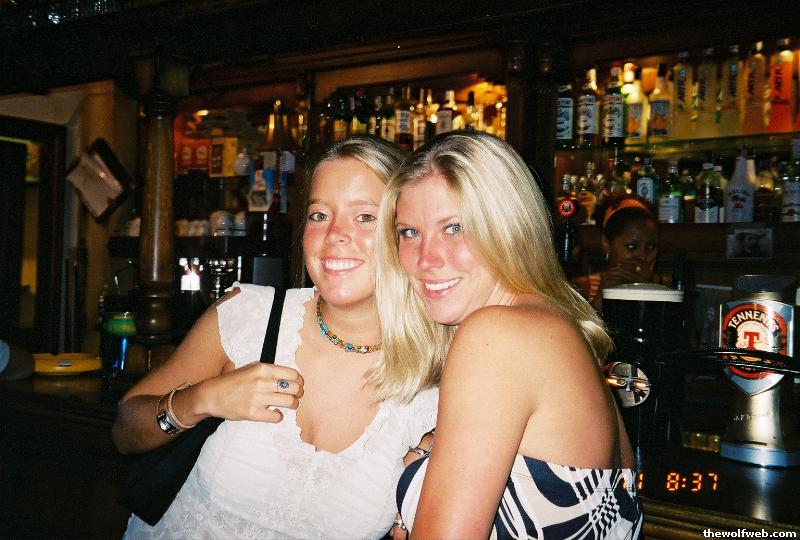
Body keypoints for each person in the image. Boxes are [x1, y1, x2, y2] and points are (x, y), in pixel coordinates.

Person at [112, 136, 439, 539]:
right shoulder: (249, 315)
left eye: (365, 216)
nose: (334, 233)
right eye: (319, 215)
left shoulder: (436, 378)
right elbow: (125, 430)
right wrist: (203, 399)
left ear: (406, 231)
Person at [375, 132, 641, 539]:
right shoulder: (557, 329)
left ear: (509, 229)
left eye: (455, 227)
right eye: (409, 232)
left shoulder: (497, 336)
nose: (426, 259)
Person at [572, 195, 670, 312]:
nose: (643, 256)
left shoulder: (669, 288)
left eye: (651, 247)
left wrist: (649, 290)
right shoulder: (580, 289)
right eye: (631, 247)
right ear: (606, 244)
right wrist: (601, 299)